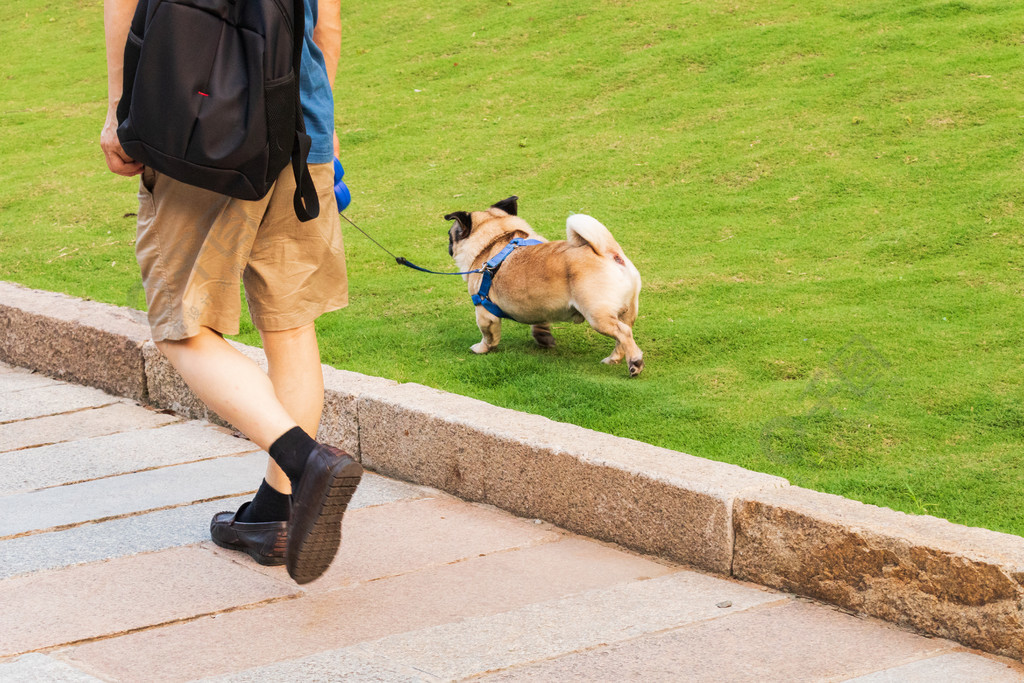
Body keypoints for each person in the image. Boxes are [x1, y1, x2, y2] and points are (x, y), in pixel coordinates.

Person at [100, 0, 360, 585]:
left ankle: (306, 459)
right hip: (301, 132)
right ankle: (274, 516)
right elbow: (327, 25)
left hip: (200, 134)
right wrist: (324, 132)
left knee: (182, 327)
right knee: (289, 323)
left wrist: (121, 112)